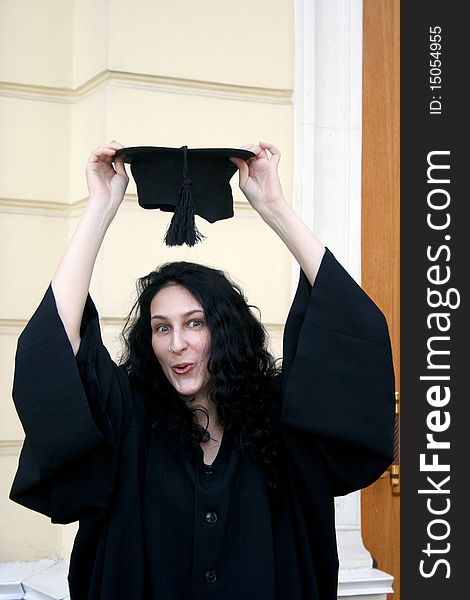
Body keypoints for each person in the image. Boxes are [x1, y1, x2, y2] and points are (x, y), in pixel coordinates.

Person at [10, 141, 395, 600]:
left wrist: (275, 208)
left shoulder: (281, 422)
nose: (177, 344)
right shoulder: (129, 420)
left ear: (226, 330)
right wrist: (100, 208)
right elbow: (53, 347)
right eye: (161, 327)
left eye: (195, 323)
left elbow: (353, 326)